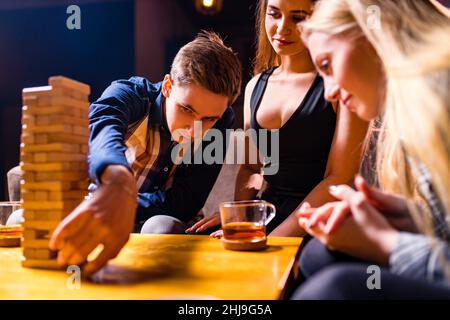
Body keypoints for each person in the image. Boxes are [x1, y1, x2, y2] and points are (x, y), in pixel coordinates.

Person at [48, 31, 242, 275]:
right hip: (97, 206)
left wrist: (124, 203)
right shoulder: (129, 94)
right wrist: (118, 183)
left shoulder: (223, 122)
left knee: (161, 225)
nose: (194, 130)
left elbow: (184, 202)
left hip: (158, 222)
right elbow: (100, 130)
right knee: (20, 221)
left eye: (209, 119)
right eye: (186, 109)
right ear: (169, 86)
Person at [292, 0, 450, 299]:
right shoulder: (413, 106)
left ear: (374, 32)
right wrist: (409, 219)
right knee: (317, 254)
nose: (330, 93)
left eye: (327, 65)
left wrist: (386, 242)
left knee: (330, 291)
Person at [186, 0, 368, 236]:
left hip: (322, 215)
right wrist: (239, 219)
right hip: (267, 213)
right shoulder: (255, 86)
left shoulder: (339, 84)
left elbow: (339, 177)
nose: (282, 28)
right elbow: (252, 167)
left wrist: (274, 237)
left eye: (298, 17)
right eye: (274, 14)